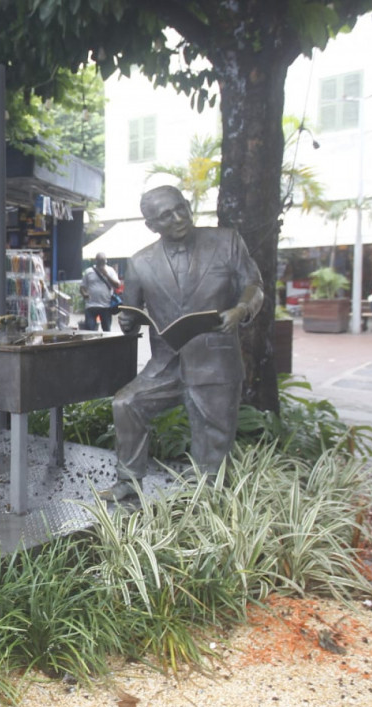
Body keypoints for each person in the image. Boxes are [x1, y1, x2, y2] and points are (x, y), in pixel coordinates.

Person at [103, 185, 264, 504]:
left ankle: (208, 502)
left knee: (212, 438)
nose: (179, 218)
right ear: (151, 225)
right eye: (166, 215)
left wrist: (242, 309)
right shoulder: (140, 262)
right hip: (166, 363)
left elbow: (253, 285)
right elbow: (130, 310)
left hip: (214, 360)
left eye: (181, 208)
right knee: (126, 404)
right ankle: (129, 481)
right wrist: (127, 320)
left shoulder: (227, 241)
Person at [80, 252, 121, 331]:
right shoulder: (89, 271)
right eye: (99, 261)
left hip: (106, 306)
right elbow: (82, 287)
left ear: (106, 261)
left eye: (103, 261)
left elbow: (117, 285)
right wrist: (84, 294)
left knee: (106, 330)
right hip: (91, 306)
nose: (101, 263)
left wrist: (106, 275)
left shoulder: (110, 270)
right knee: (90, 331)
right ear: (96, 261)